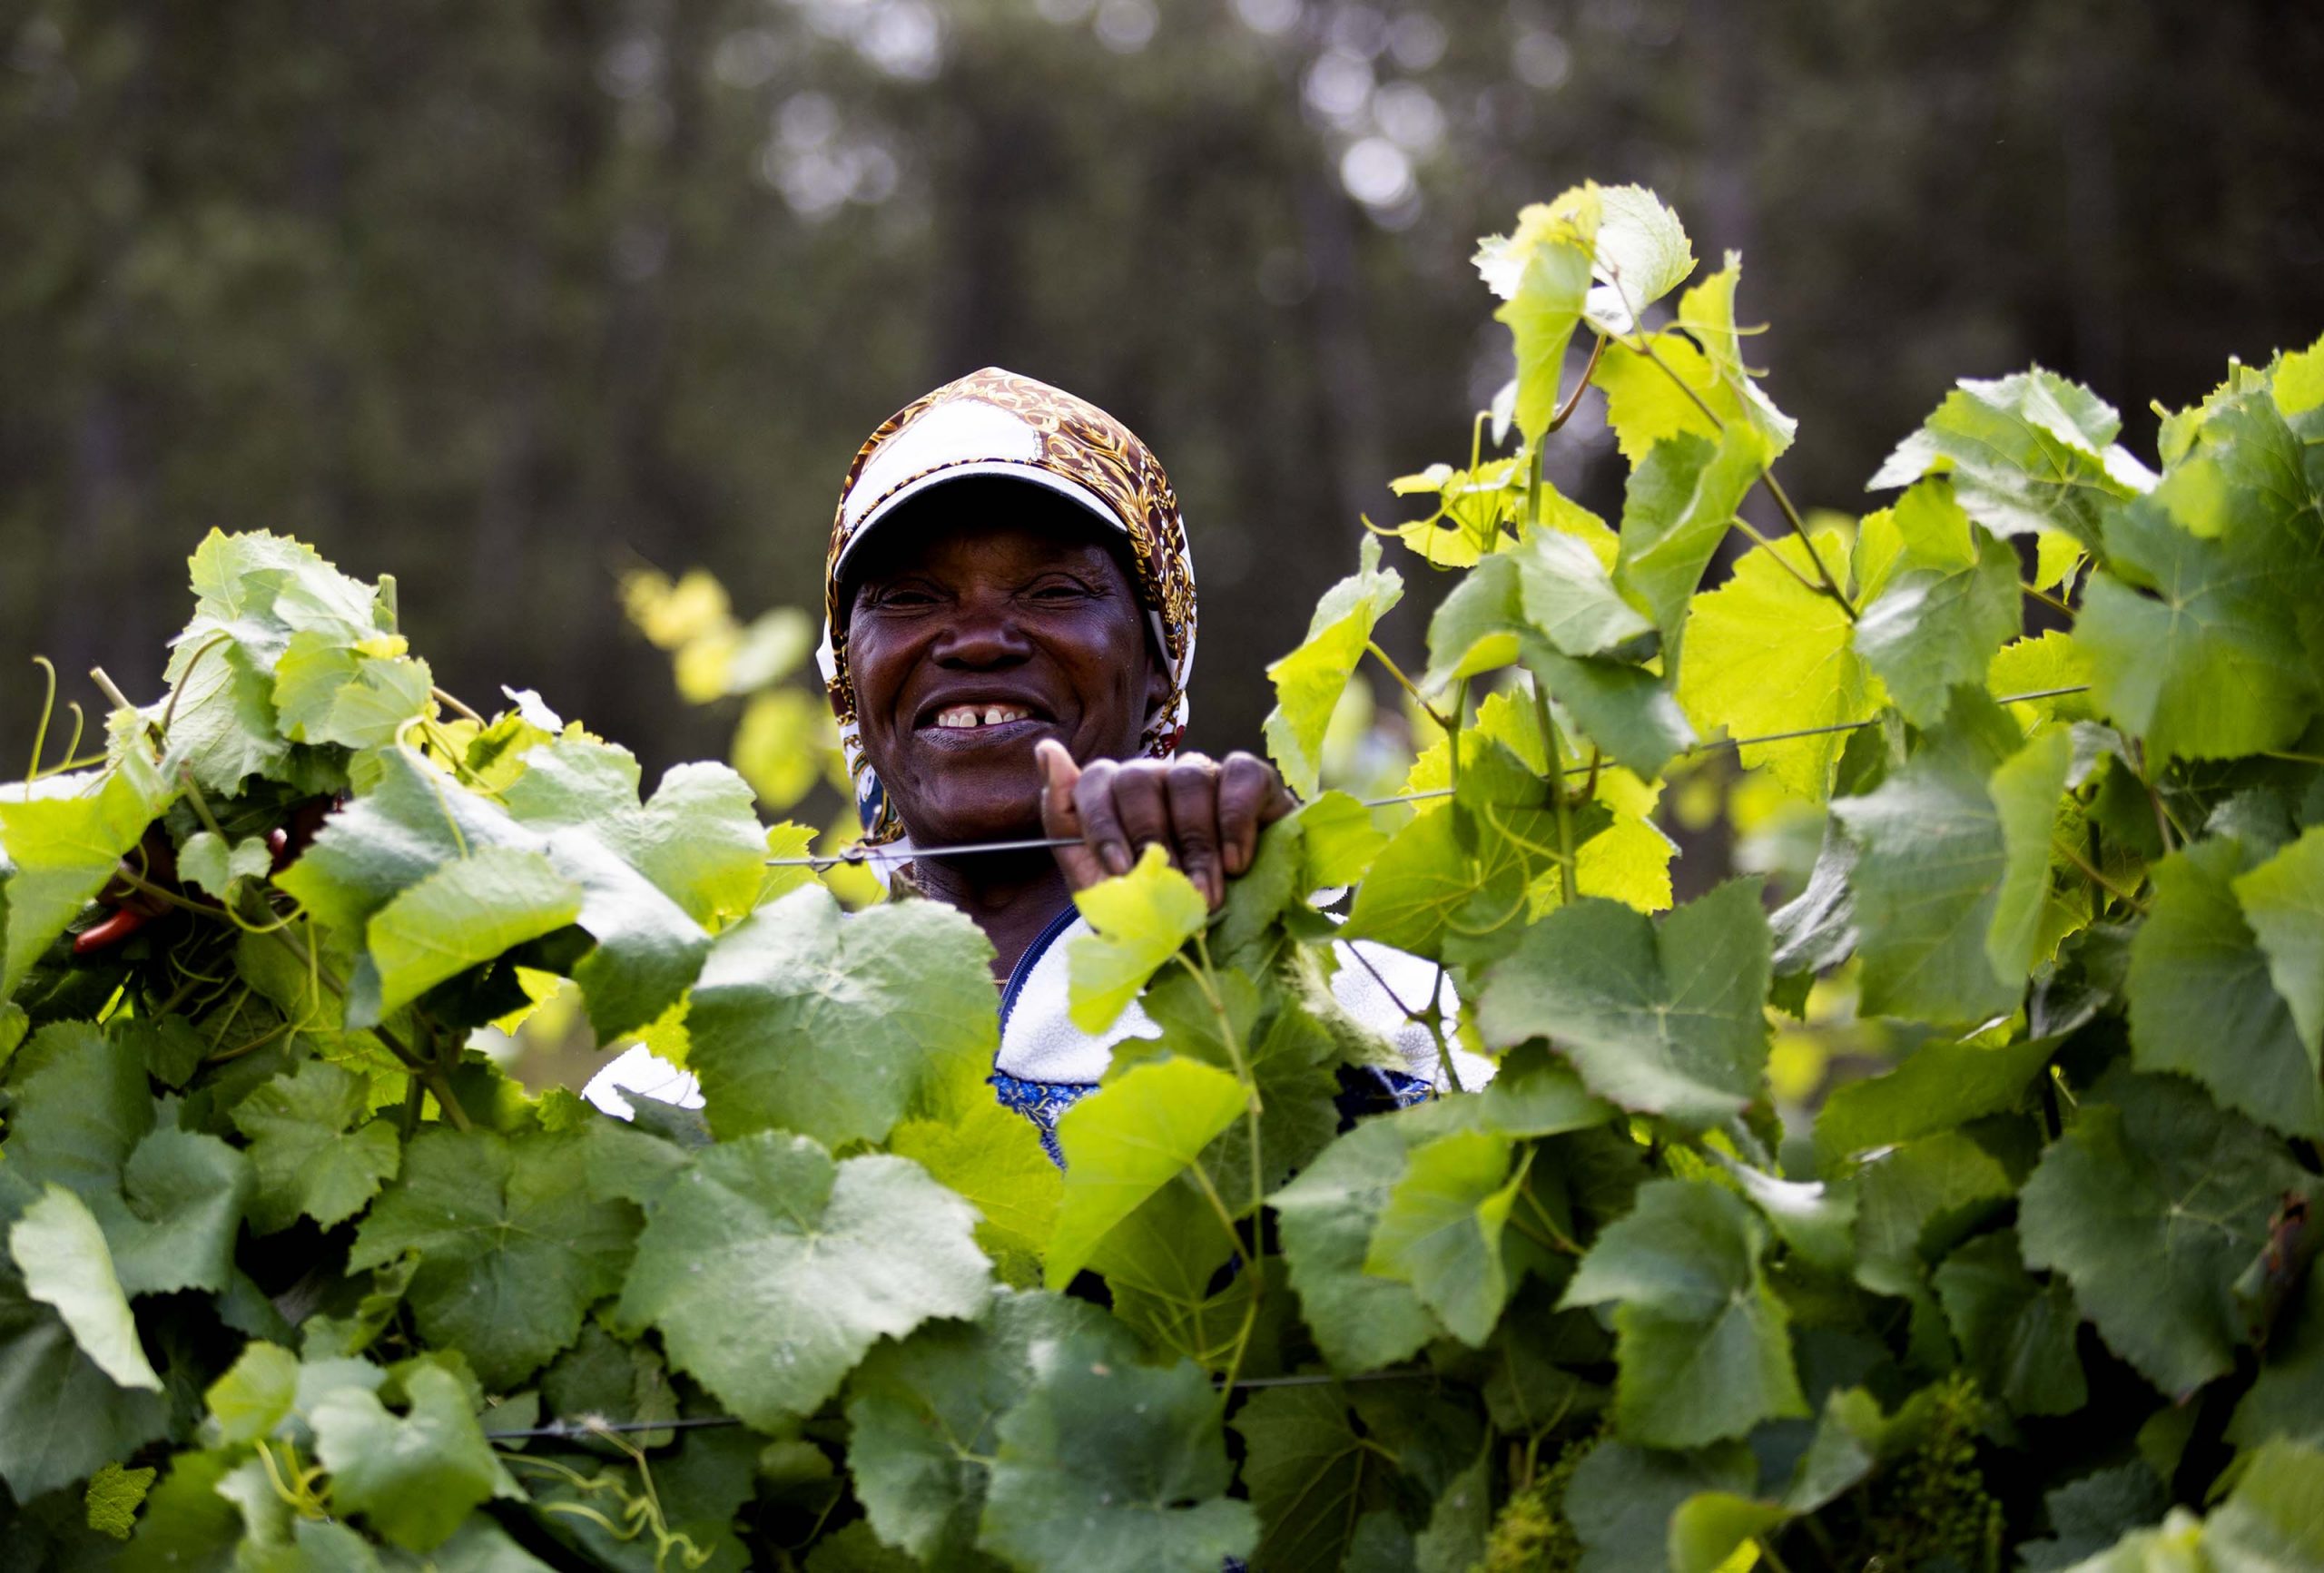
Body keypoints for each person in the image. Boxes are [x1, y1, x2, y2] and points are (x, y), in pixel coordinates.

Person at [586, 369, 1485, 1155]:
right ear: (848, 677)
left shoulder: (1393, 1022)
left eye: (1053, 590)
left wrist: (1259, 983)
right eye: (909, 597)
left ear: (1159, 662)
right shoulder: (688, 1090)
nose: (978, 639)